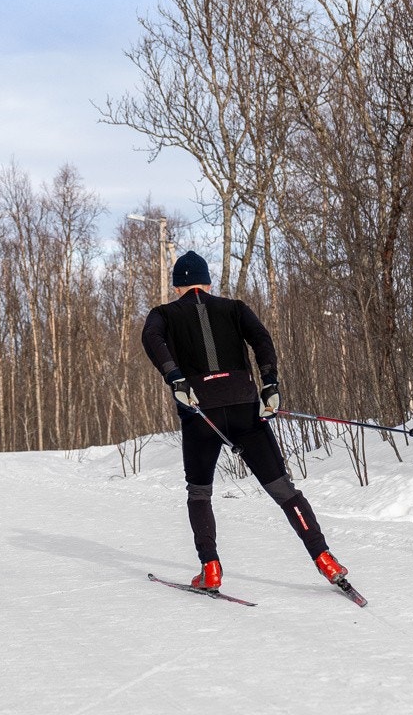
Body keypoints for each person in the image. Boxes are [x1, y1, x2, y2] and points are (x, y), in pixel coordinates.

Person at [141, 250, 350, 592]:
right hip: (244, 405)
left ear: (178, 286)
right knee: (283, 490)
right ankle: (326, 560)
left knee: (199, 492)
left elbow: (151, 338)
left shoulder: (163, 314)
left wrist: (176, 378)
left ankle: (210, 568)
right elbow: (262, 339)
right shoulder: (235, 307)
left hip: (200, 412)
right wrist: (270, 383)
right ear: (207, 282)